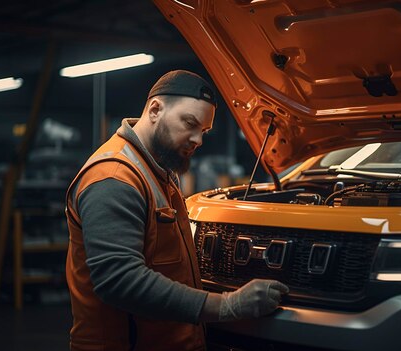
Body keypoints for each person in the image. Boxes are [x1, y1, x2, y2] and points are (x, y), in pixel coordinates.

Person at [64, 70, 289, 351]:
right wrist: (227, 305)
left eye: (204, 131)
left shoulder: (159, 170)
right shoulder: (114, 178)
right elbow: (120, 281)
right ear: (155, 109)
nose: (198, 140)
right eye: (190, 123)